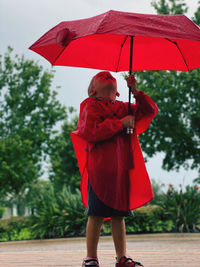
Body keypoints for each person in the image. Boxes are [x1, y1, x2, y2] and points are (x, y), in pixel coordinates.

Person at [70, 71, 159, 267]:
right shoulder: (90, 105)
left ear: (117, 92)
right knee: (96, 214)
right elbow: (90, 132)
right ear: (93, 90)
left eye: (111, 78)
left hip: (121, 170)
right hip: (99, 170)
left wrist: (135, 92)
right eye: (102, 77)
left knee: (119, 216)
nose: (108, 76)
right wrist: (120, 124)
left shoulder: (124, 106)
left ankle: (122, 258)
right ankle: (91, 257)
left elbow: (150, 111)